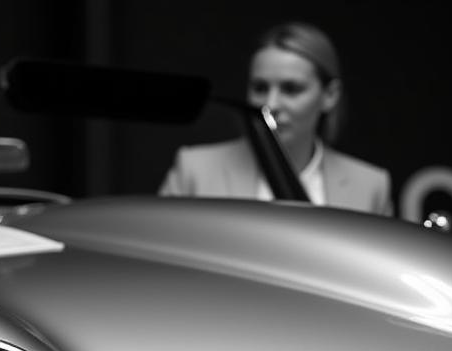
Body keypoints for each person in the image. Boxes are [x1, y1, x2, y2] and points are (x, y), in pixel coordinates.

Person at [160, 22, 392, 215]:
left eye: (291, 89)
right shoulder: (195, 170)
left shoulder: (370, 186)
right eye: (260, 88)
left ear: (330, 95)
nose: (270, 104)